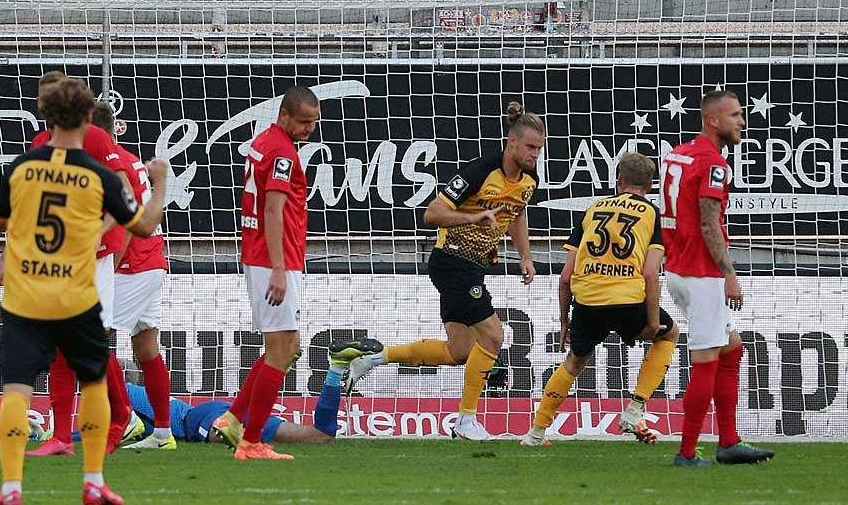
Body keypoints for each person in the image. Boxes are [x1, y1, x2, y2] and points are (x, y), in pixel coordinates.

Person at [0, 76, 167, 505]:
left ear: (46, 118)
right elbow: (141, 225)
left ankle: (11, 489)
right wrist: (160, 186)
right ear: (89, 118)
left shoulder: (22, 168)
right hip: (77, 292)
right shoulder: (97, 174)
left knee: (16, 387)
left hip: (28, 293)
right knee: (95, 380)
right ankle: (93, 480)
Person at [345, 102, 543, 441]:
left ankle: (375, 358)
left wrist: (525, 256)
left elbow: (518, 213)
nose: (535, 155)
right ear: (511, 143)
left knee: (459, 352)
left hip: (474, 267)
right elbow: (432, 214)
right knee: (494, 336)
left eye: (539, 149)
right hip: (451, 261)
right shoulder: (479, 172)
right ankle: (465, 421)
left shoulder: (528, 181)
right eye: (530, 147)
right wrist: (472, 217)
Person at [10, 73, 138, 458]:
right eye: (43, 97)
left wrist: (99, 230)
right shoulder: (38, 145)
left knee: (92, 345)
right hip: (55, 262)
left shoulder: (96, 138)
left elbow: (125, 192)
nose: (47, 104)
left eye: (53, 96)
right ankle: (61, 435)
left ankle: (123, 415)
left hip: (92, 261)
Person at [521, 153, 678, 447]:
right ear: (651, 184)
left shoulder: (593, 209)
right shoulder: (652, 214)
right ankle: (634, 410)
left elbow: (566, 275)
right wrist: (653, 322)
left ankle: (535, 433)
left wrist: (565, 320)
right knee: (670, 335)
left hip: (588, 299)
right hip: (628, 299)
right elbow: (650, 274)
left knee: (573, 363)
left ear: (619, 180)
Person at [661, 90, 772, 467]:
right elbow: (709, 223)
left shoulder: (678, 153)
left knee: (732, 347)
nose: (742, 122)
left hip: (678, 266)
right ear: (713, 120)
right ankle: (687, 452)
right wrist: (729, 274)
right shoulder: (713, 163)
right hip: (701, 272)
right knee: (707, 358)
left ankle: (729, 441)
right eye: (736, 115)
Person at [231, 85, 320, 460]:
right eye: (303, 122)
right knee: (282, 350)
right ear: (284, 115)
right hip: (274, 259)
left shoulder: (264, 140)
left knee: (285, 346)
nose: (309, 129)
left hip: (263, 255)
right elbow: (272, 211)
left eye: (314, 122)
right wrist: (280, 270)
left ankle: (233, 419)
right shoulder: (282, 153)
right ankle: (251, 441)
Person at [84, 103, 178, 451]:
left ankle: (125, 420)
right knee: (146, 346)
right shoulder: (127, 158)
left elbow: (124, 227)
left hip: (132, 265)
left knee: (91, 337)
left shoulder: (113, 164)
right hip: (150, 260)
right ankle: (163, 434)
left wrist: (108, 268)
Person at [120, 346, 366, 448]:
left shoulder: (125, 395)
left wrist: (79, 438)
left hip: (198, 419)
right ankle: (336, 368)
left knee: (220, 435)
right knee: (319, 435)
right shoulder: (135, 396)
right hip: (216, 410)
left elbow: (101, 434)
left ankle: (275, 360)